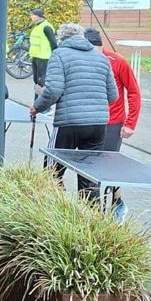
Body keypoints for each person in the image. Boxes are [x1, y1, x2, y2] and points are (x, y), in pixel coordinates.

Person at [31, 23, 118, 197]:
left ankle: (51, 206)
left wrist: (37, 107)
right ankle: (90, 211)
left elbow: (53, 91)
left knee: (52, 172)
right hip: (97, 125)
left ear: (61, 38)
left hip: (68, 123)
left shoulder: (59, 55)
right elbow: (113, 95)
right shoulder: (101, 58)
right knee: (89, 175)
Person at [85, 27, 141, 221]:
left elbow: (133, 91)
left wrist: (131, 123)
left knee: (108, 168)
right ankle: (94, 212)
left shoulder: (118, 61)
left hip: (113, 123)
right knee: (90, 168)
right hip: (89, 122)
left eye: (96, 51)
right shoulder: (82, 60)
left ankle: (117, 204)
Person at [28, 7, 58, 91]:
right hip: (36, 56)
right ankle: (37, 97)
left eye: (33, 15)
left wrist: (55, 55)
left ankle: (42, 97)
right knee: (36, 80)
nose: (31, 17)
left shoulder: (46, 27)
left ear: (38, 16)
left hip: (44, 57)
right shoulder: (37, 26)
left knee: (42, 80)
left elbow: (53, 42)